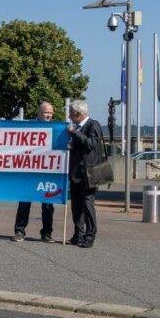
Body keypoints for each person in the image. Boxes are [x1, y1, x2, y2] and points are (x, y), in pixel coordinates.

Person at [12, 102, 56, 242]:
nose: (48, 115)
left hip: (47, 173)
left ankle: (46, 233)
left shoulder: (56, 128)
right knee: (24, 202)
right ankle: (20, 231)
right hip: (29, 172)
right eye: (45, 112)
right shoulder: (29, 127)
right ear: (39, 113)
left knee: (48, 204)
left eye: (50, 112)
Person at [67, 99, 104, 249]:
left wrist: (75, 133)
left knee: (88, 205)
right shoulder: (76, 127)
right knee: (76, 206)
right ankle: (78, 234)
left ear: (78, 114)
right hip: (76, 173)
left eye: (71, 113)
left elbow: (91, 144)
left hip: (90, 173)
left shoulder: (92, 125)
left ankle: (90, 235)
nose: (69, 116)